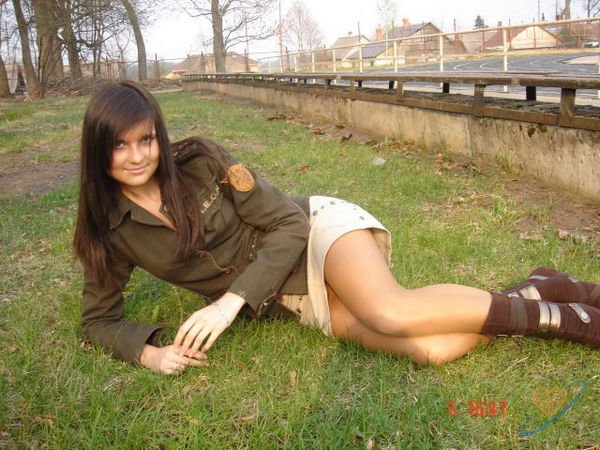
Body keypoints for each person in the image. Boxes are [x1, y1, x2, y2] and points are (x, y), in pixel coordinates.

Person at [73, 81, 600, 375]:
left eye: (146, 140)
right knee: (431, 349)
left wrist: (229, 302)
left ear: (159, 137)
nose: (137, 156)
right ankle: (540, 288)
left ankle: (566, 319)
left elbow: (288, 221)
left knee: (390, 311)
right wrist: (150, 353)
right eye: (119, 145)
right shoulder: (108, 230)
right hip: (289, 296)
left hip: (316, 233)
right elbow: (98, 320)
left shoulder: (200, 162)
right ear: (98, 148)